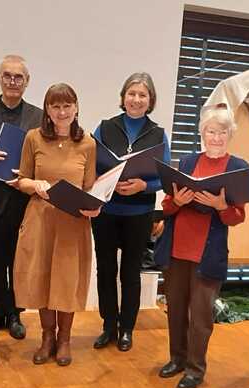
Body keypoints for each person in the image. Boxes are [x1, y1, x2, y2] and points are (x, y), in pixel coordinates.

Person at [154, 105, 249, 388]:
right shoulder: (186, 163)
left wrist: (220, 206)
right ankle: (177, 359)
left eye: (222, 132)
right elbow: (167, 207)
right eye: (211, 131)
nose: (216, 138)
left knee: (201, 315)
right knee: (175, 309)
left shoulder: (238, 168)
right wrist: (179, 201)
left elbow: (237, 217)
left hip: (208, 254)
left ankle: (195, 369)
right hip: (176, 248)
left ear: (230, 134)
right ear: (202, 133)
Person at [12, 83, 98, 367]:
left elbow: (90, 187)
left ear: (76, 108)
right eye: (55, 106)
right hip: (41, 218)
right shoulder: (33, 138)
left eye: (67, 105)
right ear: (47, 110)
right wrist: (34, 185)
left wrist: (95, 205)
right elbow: (21, 180)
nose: (62, 112)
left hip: (73, 221)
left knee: (66, 279)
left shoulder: (88, 143)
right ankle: (47, 337)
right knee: (42, 277)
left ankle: (64, 339)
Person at [91, 72, 170, 352]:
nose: (136, 99)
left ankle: (126, 329)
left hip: (139, 212)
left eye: (142, 95)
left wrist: (143, 185)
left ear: (150, 100)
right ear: (123, 97)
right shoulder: (104, 128)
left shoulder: (158, 134)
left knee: (131, 272)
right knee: (105, 270)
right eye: (132, 94)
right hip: (107, 211)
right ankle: (108, 326)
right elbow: (90, 166)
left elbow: (165, 178)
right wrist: (107, 181)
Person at [0, 55, 42, 341]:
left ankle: (15, 313)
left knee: (19, 261)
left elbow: (43, 156)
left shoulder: (38, 116)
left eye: (18, 77)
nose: (13, 81)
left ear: (27, 81)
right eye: (7, 76)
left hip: (23, 200)